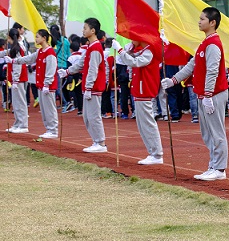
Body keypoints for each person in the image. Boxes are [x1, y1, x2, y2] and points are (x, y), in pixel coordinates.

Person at [162, 7, 229, 181]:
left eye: (202, 19)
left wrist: (208, 95)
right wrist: (174, 80)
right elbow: (192, 66)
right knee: (208, 133)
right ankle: (213, 165)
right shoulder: (204, 43)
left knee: (216, 132)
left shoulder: (213, 44)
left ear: (212, 22)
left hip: (213, 94)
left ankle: (219, 168)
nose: (199, 22)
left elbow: (213, 71)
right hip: (205, 94)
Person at [58, 18, 108, 153]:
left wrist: (89, 87)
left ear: (93, 30)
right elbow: (81, 64)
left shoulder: (96, 47)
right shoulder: (90, 47)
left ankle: (100, 142)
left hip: (93, 87)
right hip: (88, 87)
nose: (83, 30)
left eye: (85, 28)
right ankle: (96, 141)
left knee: (94, 116)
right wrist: (67, 71)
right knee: (87, 117)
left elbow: (93, 69)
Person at [6, 29, 59, 138]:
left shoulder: (50, 52)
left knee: (49, 109)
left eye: (37, 37)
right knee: (44, 109)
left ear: (44, 38)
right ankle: (49, 129)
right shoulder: (40, 51)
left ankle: (53, 130)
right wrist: (14, 61)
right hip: (41, 85)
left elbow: (51, 69)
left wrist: (47, 83)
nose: (36, 39)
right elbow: (28, 59)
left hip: (47, 86)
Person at [118, 40, 163, 165]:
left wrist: (121, 51)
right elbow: (129, 59)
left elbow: (134, 62)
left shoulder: (149, 51)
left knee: (147, 123)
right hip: (139, 90)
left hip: (145, 90)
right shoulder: (142, 51)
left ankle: (156, 153)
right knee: (142, 124)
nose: (132, 40)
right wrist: (128, 51)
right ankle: (152, 152)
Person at [4, 28, 29, 134]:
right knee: (16, 102)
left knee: (20, 102)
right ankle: (18, 123)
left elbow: (18, 66)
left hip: (19, 79)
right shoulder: (14, 48)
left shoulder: (18, 48)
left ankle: (23, 124)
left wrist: (15, 79)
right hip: (16, 79)